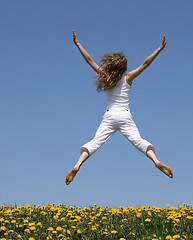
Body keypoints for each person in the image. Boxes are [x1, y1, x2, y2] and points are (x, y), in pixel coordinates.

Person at [65, 30, 173, 185]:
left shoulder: (105, 77)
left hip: (110, 116)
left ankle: (77, 165)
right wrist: (158, 50)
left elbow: (89, 60)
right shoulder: (128, 78)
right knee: (138, 141)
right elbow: (145, 64)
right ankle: (156, 161)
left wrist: (78, 44)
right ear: (123, 68)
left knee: (95, 142)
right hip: (125, 116)